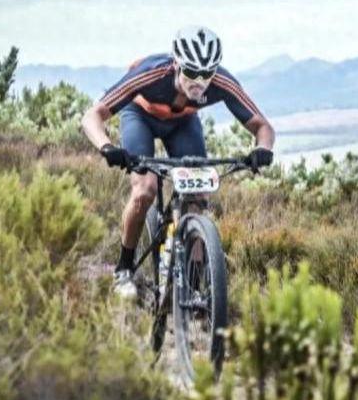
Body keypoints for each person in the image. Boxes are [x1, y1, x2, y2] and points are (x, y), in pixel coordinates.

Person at [80, 26, 275, 298]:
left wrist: (262, 149)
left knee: (198, 196)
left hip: (182, 123)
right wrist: (107, 147)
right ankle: (124, 268)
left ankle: (193, 284)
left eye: (207, 74)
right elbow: (92, 116)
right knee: (145, 189)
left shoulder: (221, 82)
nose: (200, 81)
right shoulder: (151, 73)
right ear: (176, 65)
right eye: (192, 72)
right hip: (140, 116)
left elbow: (262, 126)